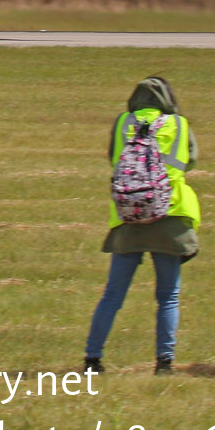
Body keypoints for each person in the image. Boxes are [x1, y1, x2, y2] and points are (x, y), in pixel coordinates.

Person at [84, 76, 199, 376]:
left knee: (113, 294)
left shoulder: (123, 122)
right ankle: (164, 361)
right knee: (168, 296)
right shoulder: (180, 124)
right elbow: (191, 160)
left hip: (128, 216)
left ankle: (92, 359)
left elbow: (113, 158)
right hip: (169, 214)